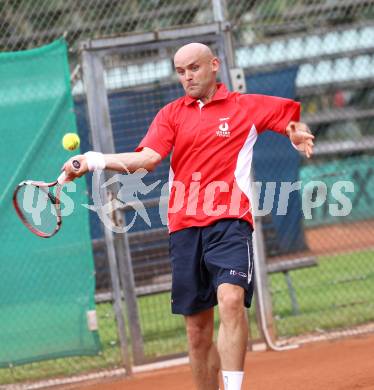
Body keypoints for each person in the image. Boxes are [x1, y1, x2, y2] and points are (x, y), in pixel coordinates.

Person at [63, 43, 314, 390]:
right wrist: (93, 160)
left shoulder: (243, 107)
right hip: (184, 228)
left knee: (231, 300)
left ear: (214, 65)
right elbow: (147, 158)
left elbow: (288, 118)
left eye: (193, 68)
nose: (187, 77)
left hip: (230, 222)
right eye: (180, 71)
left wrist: (295, 131)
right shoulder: (171, 114)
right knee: (197, 332)